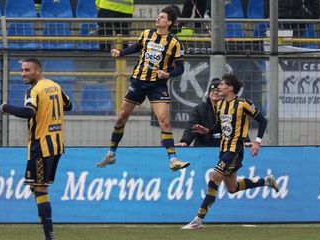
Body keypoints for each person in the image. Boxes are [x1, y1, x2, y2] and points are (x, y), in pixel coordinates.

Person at [96, 5, 190, 172]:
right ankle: (111, 153)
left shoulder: (174, 43)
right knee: (121, 118)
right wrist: (121, 53)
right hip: (139, 82)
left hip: (157, 86)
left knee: (165, 121)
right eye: (158, 16)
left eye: (161, 17)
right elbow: (137, 47)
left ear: (169, 22)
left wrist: (167, 74)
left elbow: (180, 68)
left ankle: (173, 159)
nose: (158, 19)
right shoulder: (146, 34)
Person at [181, 73, 279, 230]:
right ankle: (266, 181)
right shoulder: (220, 105)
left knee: (214, 178)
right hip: (223, 150)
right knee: (232, 188)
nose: (219, 87)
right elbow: (218, 127)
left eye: (222, 85)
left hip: (235, 151)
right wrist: (206, 130)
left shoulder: (243, 104)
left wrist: (257, 142)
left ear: (230, 88)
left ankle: (198, 220)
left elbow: (262, 120)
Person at [0, 58, 72, 240]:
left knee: (39, 189)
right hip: (57, 144)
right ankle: (47, 229)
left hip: (41, 146)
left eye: (27, 70)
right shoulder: (54, 85)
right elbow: (69, 105)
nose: (23, 73)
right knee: (37, 187)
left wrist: (6, 107)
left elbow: (29, 112)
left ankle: (49, 235)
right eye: (22, 70)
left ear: (37, 71)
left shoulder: (33, 90)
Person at [177, 78, 221, 147]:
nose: (215, 92)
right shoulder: (199, 109)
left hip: (224, 148)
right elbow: (191, 126)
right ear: (208, 94)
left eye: (218, 90)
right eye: (212, 91)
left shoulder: (229, 108)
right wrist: (185, 141)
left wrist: (244, 141)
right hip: (203, 147)